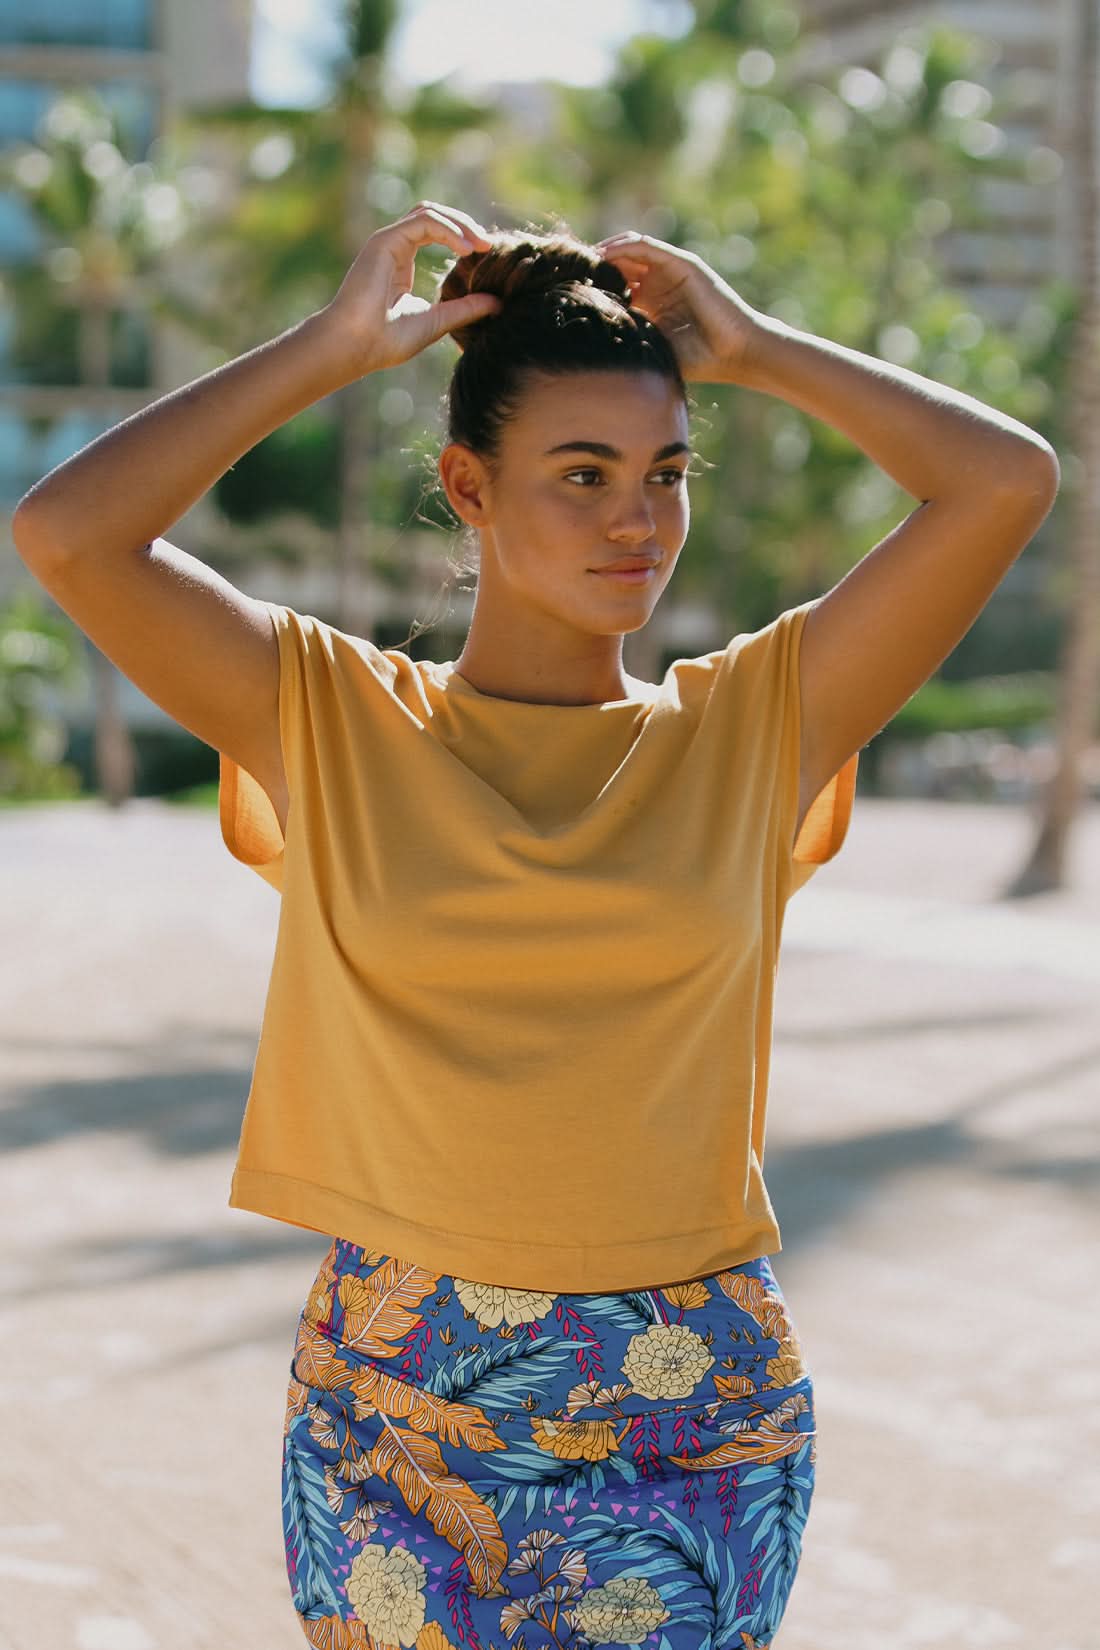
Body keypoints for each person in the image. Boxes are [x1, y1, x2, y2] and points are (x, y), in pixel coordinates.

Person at [12, 200, 1059, 1650]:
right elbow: (67, 530)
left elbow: (1006, 480)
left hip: (682, 1406)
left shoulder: (756, 724)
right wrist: (327, 354)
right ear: (471, 484)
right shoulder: (331, 716)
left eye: (666, 472)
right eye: (584, 472)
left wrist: (754, 349)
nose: (639, 519)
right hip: (397, 1405)